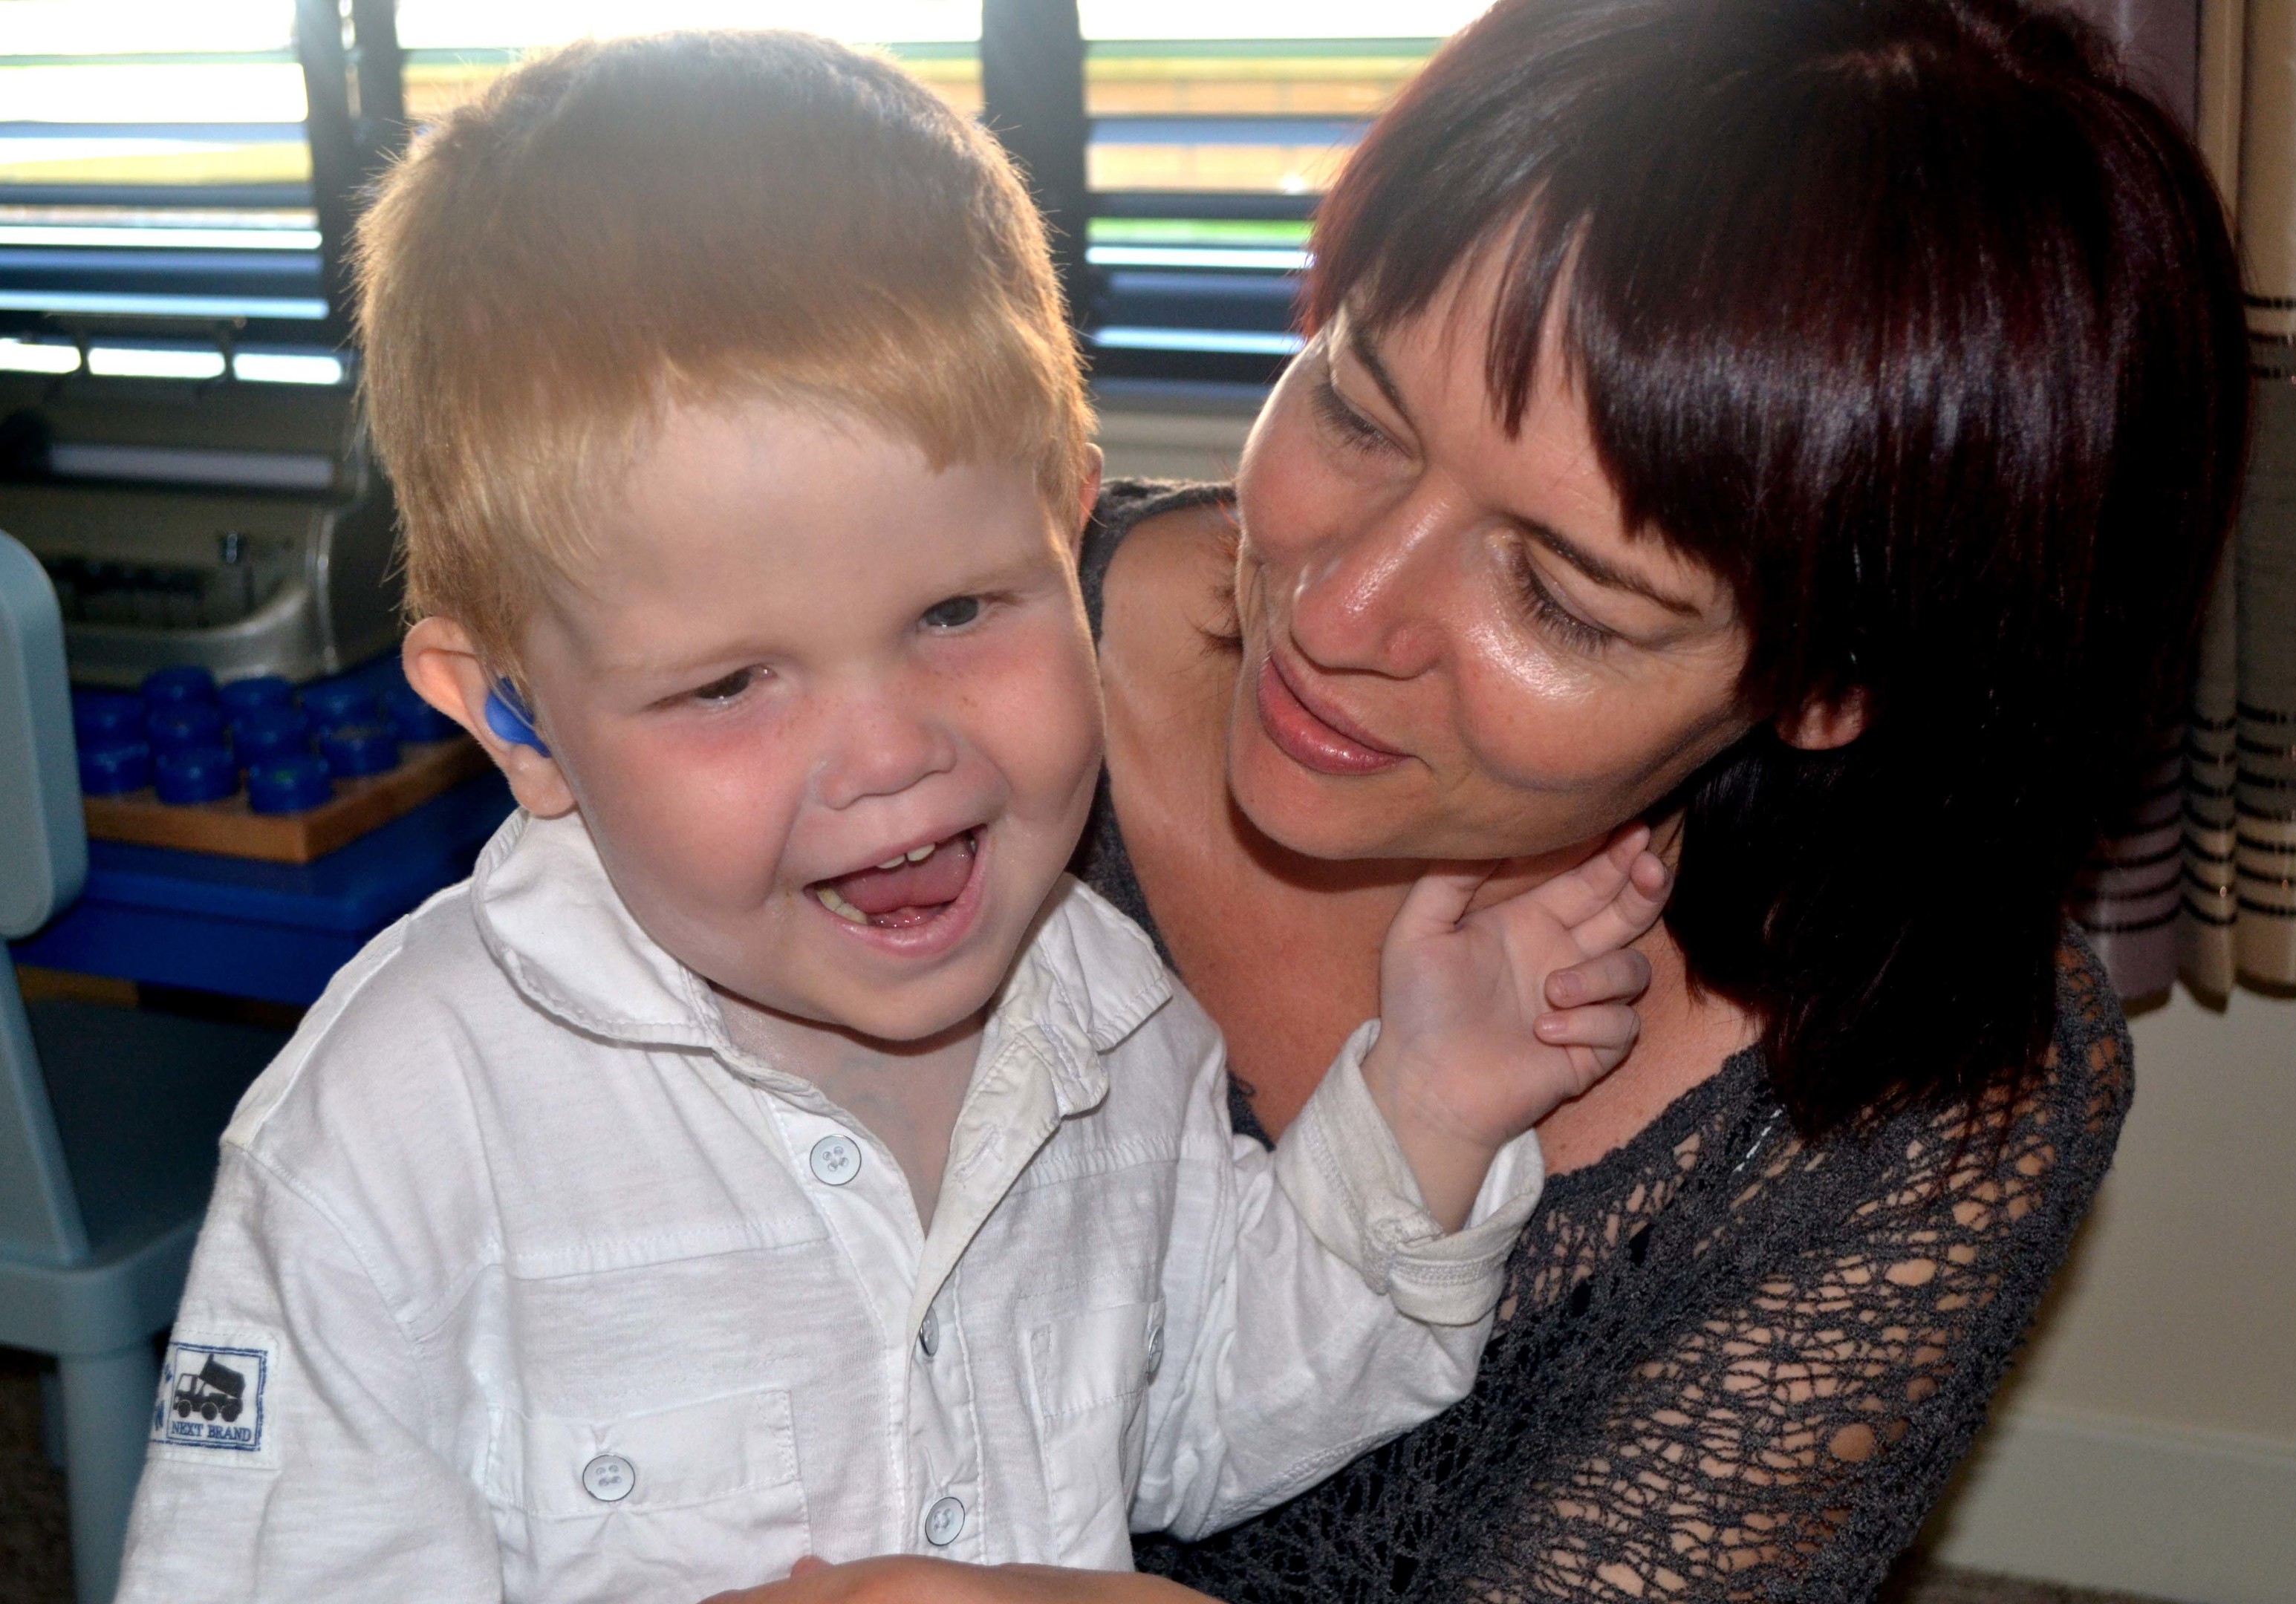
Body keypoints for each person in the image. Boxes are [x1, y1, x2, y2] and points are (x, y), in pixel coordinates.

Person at [110, 32, 1679, 1604]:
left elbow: (1212, 1417)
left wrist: (1429, 1108)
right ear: (513, 716)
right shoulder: (388, 1139)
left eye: (954, 611)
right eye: (729, 684)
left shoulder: (1113, 1021)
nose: (890, 758)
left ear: (1068, 536)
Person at [706, 0, 2248, 1600]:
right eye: (1360, 409)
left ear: (1832, 684)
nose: (1337, 610)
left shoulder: (1911, 1091)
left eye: (1566, 600)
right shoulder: (884, 705)